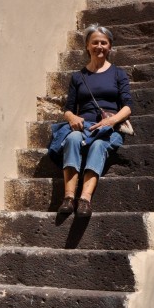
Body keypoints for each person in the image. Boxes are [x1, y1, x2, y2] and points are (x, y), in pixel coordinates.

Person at [50, 24, 133, 218]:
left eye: (104, 43)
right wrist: (71, 117)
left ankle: (85, 200)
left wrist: (111, 122)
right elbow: (69, 108)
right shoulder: (78, 77)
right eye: (95, 42)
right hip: (83, 126)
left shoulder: (118, 74)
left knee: (98, 146)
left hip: (108, 129)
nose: (99, 46)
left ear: (110, 47)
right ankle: (69, 198)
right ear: (87, 46)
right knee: (72, 139)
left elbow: (128, 106)